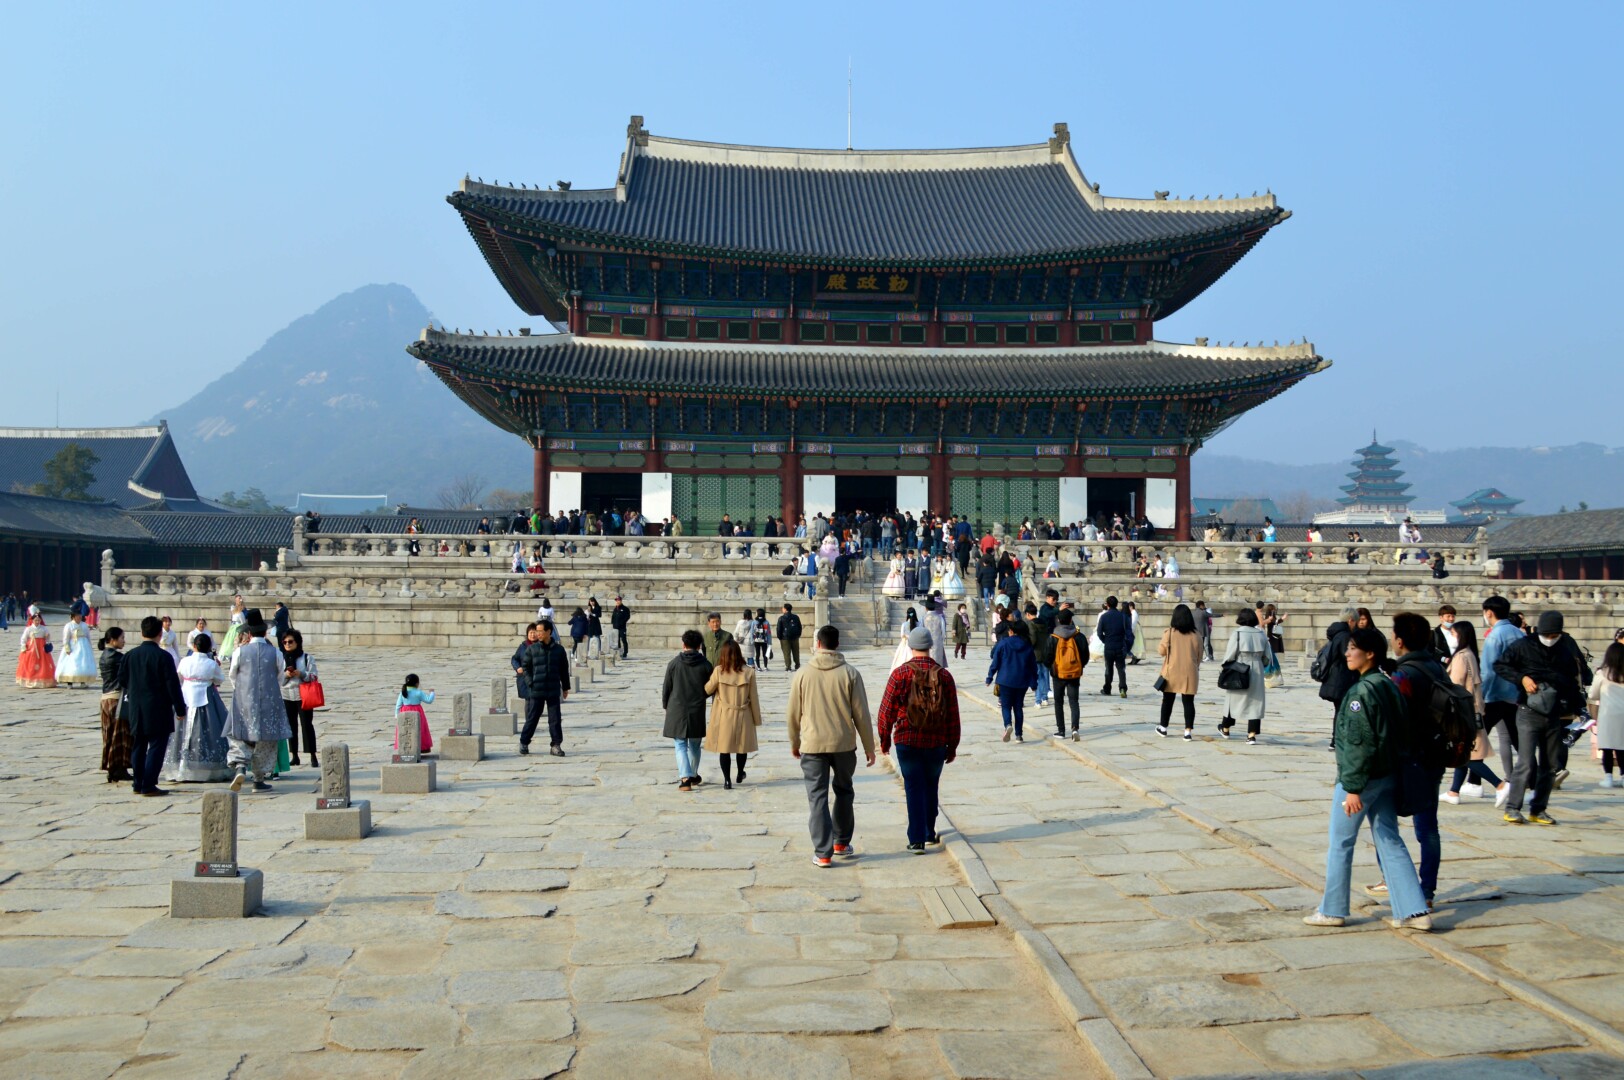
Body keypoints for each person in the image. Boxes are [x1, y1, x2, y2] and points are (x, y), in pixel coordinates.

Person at [1304, 626, 1432, 931]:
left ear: (1370, 653)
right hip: (1388, 775)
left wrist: (1352, 788)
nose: (1347, 654)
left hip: (1363, 780)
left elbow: (1359, 744)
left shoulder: (1361, 692)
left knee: (1341, 842)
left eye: (1352, 649)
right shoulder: (1388, 685)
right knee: (1389, 839)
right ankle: (1414, 911)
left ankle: (1332, 909)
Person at [787, 625, 874, 867]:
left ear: (817, 643)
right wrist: (869, 746)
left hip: (812, 744)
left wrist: (795, 742)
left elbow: (793, 713)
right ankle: (841, 842)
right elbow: (861, 714)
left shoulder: (803, 674)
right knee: (844, 790)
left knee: (817, 797)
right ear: (837, 644)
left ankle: (823, 853)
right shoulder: (850, 673)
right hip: (843, 743)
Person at [1494, 611, 1583, 825]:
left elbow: (1572, 679)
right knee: (1525, 762)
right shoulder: (1523, 646)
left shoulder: (1565, 649)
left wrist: (1579, 707)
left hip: (1554, 713)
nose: (1550, 639)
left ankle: (1538, 809)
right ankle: (1513, 807)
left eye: (1554, 635)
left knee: (1549, 765)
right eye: (1547, 635)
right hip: (1528, 711)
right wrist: (1522, 678)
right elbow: (1500, 665)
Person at [1383, 612, 1448, 909]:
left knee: (1385, 825)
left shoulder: (1403, 674)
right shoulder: (1437, 668)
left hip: (1407, 757)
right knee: (1428, 828)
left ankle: (1396, 881)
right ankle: (1427, 890)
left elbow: (1395, 716)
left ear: (1399, 640)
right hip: (1435, 754)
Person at [878, 625, 961, 852]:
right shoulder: (944, 675)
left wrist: (884, 740)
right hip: (936, 741)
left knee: (913, 787)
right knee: (931, 785)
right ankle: (928, 831)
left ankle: (916, 840)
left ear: (911, 646)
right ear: (930, 646)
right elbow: (953, 714)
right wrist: (952, 745)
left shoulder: (900, 674)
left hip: (907, 740)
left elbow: (886, 711)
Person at [1441, 619, 1509, 805]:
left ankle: (1500, 785)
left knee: (1468, 755)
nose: (1452, 638)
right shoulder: (1469, 654)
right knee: (1463, 753)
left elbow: (1455, 687)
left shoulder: (1461, 657)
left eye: (1454, 634)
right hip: (1471, 710)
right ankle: (1454, 791)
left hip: (1462, 713)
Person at [121, 616, 189, 798]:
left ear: (141, 632)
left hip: (136, 707)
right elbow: (172, 685)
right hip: (158, 707)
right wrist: (180, 709)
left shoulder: (130, 655)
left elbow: (122, 680)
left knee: (139, 744)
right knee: (157, 746)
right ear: (160, 634)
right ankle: (149, 784)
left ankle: (138, 782)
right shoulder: (163, 656)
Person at [225, 609, 291, 791]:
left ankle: (240, 766)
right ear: (264, 632)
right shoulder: (275, 652)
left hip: (244, 699)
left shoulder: (240, 652)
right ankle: (258, 779)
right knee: (266, 739)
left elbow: (232, 675)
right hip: (270, 701)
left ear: (248, 633)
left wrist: (240, 690)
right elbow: (280, 677)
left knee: (240, 734)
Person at [168, 632, 231, 783]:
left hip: (185, 697)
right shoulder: (210, 663)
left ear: (194, 646)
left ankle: (181, 766)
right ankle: (206, 768)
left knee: (181, 732)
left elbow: (179, 677)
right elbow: (219, 679)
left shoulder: (185, 661)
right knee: (208, 730)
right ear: (209, 648)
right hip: (206, 697)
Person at [704, 639, 761, 790]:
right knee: (742, 747)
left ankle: (727, 780)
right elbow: (754, 697)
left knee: (725, 748)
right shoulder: (749, 672)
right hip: (744, 713)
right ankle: (740, 772)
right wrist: (757, 719)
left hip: (724, 714)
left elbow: (708, 689)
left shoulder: (718, 671)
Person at [1479, 595, 1522, 782]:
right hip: (1516, 694)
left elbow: (1488, 671)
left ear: (1489, 613)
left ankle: (1473, 783)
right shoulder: (1519, 633)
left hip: (1495, 696)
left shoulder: (1494, 636)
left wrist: (1481, 696)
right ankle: (1535, 781)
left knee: (1478, 740)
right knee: (1519, 741)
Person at [664, 629, 713, 791]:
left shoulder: (674, 663)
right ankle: (692, 775)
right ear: (699, 646)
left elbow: (667, 688)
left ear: (683, 644)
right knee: (695, 744)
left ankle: (685, 778)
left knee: (680, 744)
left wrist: (667, 705)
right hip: (696, 708)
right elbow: (710, 688)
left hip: (677, 708)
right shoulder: (706, 665)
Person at [1219, 608, 1272, 744]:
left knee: (1233, 699)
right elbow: (1267, 657)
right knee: (1256, 702)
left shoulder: (1237, 634)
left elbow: (1230, 655)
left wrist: (1224, 668)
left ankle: (1225, 728)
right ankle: (1251, 735)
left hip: (1240, 667)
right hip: (1257, 668)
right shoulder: (1261, 634)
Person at [520, 619, 571, 756]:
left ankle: (556, 745)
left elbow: (564, 670)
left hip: (553, 689)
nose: (537, 634)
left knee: (555, 719)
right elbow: (525, 667)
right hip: (536, 689)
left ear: (549, 631)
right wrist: (531, 682)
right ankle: (524, 742)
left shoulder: (559, 650)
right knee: (532, 718)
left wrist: (565, 687)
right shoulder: (532, 649)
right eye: (536, 631)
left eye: (540, 631)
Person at [1156, 604, 1203, 740]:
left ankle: (1163, 727)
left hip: (1171, 671)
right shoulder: (1196, 635)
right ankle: (1187, 731)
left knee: (1168, 700)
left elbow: (1161, 652)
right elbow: (1199, 656)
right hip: (1190, 672)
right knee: (1188, 702)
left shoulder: (1169, 633)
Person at [1040, 609, 1088, 741]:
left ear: (1058, 621)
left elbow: (1047, 657)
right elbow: (1085, 656)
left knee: (1058, 702)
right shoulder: (1079, 636)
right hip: (1074, 674)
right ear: (1071, 620)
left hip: (1058, 674)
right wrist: (1079, 666)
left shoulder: (1053, 637)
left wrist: (1051, 666)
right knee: (1074, 701)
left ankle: (1061, 730)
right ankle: (1075, 729)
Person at [987, 619, 1037, 743]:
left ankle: (1008, 725)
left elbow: (996, 662)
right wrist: (1034, 683)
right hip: (1022, 681)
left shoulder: (1003, 643)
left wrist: (990, 677)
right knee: (1018, 707)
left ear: (1012, 631)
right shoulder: (1027, 645)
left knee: (1006, 706)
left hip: (1005, 680)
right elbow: (1033, 666)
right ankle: (1019, 735)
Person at [279, 629, 319, 768]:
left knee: (307, 725)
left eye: (290, 641)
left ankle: (312, 754)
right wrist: (286, 675)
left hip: (304, 695)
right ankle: (294, 755)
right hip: (286, 695)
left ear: (297, 642)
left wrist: (301, 674)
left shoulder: (307, 658)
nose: (288, 644)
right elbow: (277, 679)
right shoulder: (281, 659)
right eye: (285, 642)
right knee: (291, 726)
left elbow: (314, 676)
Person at [97, 627, 132, 783]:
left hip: (105, 699)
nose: (124, 640)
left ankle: (114, 768)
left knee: (109, 735)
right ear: (113, 640)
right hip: (116, 698)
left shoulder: (104, 655)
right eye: (122, 638)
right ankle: (117, 768)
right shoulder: (117, 657)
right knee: (120, 735)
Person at [1589, 642, 1624, 788]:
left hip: (1608, 714)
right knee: (1622, 747)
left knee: (1607, 747)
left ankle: (1608, 777)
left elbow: (1593, 694)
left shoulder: (1602, 673)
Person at [1096, 596, 1131, 698]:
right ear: (1117, 604)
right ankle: (1123, 688)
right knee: (1121, 668)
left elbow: (1099, 633)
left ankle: (1107, 688)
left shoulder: (1104, 616)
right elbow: (1129, 632)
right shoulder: (1123, 616)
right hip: (1120, 645)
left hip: (1109, 646)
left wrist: (1105, 640)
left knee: (1108, 668)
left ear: (1107, 604)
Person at [55, 609, 97, 687]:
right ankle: (69, 682)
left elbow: (88, 636)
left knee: (83, 663)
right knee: (72, 663)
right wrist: (67, 647)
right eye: (77, 616)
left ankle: (83, 682)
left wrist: (89, 646)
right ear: (73, 617)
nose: (79, 617)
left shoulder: (84, 625)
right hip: (73, 646)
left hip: (83, 646)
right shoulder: (69, 625)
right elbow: (66, 638)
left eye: (80, 615)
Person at [15, 610, 54, 688]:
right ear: (32, 620)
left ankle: (43, 680)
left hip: (41, 648)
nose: (37, 621)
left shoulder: (44, 628)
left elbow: (48, 638)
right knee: (31, 664)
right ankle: (30, 680)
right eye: (35, 620)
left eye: (38, 620)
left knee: (43, 663)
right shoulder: (28, 629)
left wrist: (47, 640)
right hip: (32, 647)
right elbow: (24, 638)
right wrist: (23, 646)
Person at [775, 603, 804, 672]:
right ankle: (797, 665)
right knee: (796, 652)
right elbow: (800, 627)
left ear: (785, 609)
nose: (782, 609)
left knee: (786, 652)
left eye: (783, 608)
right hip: (795, 637)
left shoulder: (781, 618)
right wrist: (798, 635)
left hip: (785, 638)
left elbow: (779, 629)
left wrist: (780, 637)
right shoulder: (796, 617)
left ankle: (788, 667)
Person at [749, 608, 772, 672]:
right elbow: (768, 633)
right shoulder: (766, 622)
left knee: (757, 654)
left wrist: (752, 640)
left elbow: (752, 632)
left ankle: (758, 667)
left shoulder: (754, 622)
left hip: (756, 640)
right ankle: (765, 667)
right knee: (765, 654)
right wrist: (770, 642)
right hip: (764, 640)